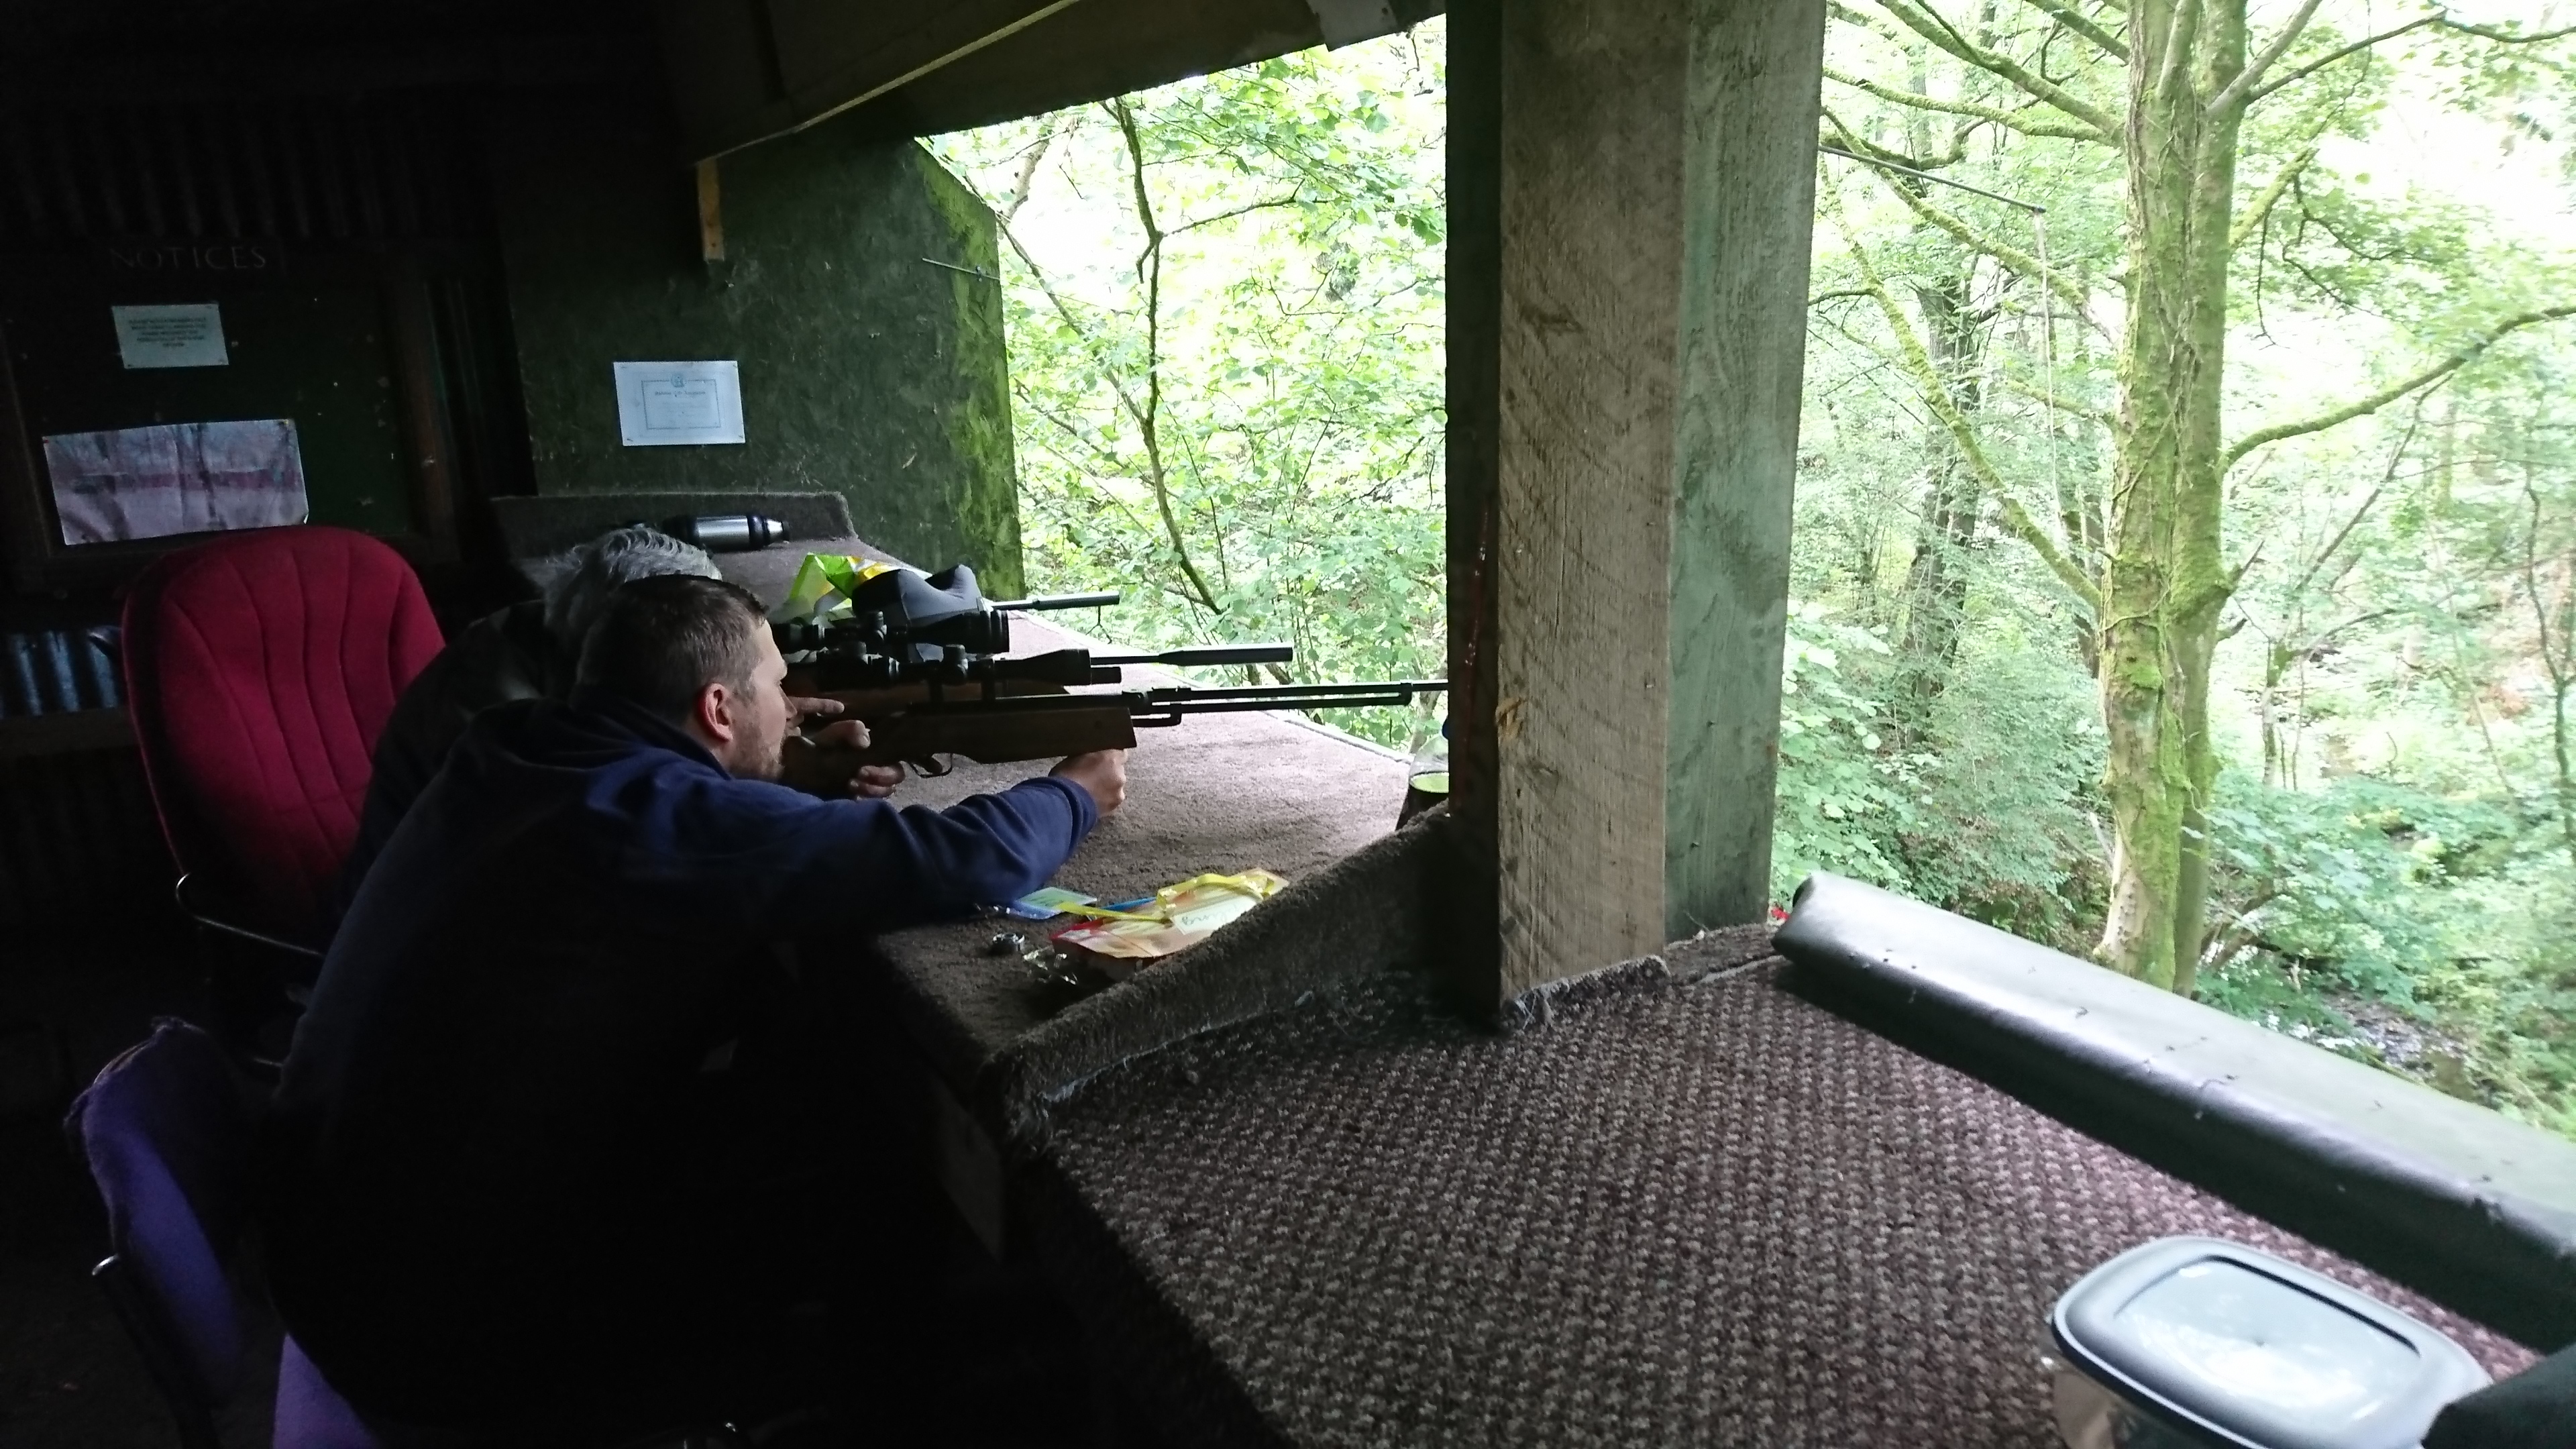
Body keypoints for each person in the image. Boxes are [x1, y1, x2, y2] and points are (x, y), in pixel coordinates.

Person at [260, 574, 1126, 1438]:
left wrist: (780, 775)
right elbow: (963, 858)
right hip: (448, 1325)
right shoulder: (651, 816)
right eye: (777, 686)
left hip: (339, 1235)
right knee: (881, 1179)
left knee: (806, 1091)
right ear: (717, 708)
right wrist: (1076, 791)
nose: (793, 706)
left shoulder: (511, 745)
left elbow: (696, 824)